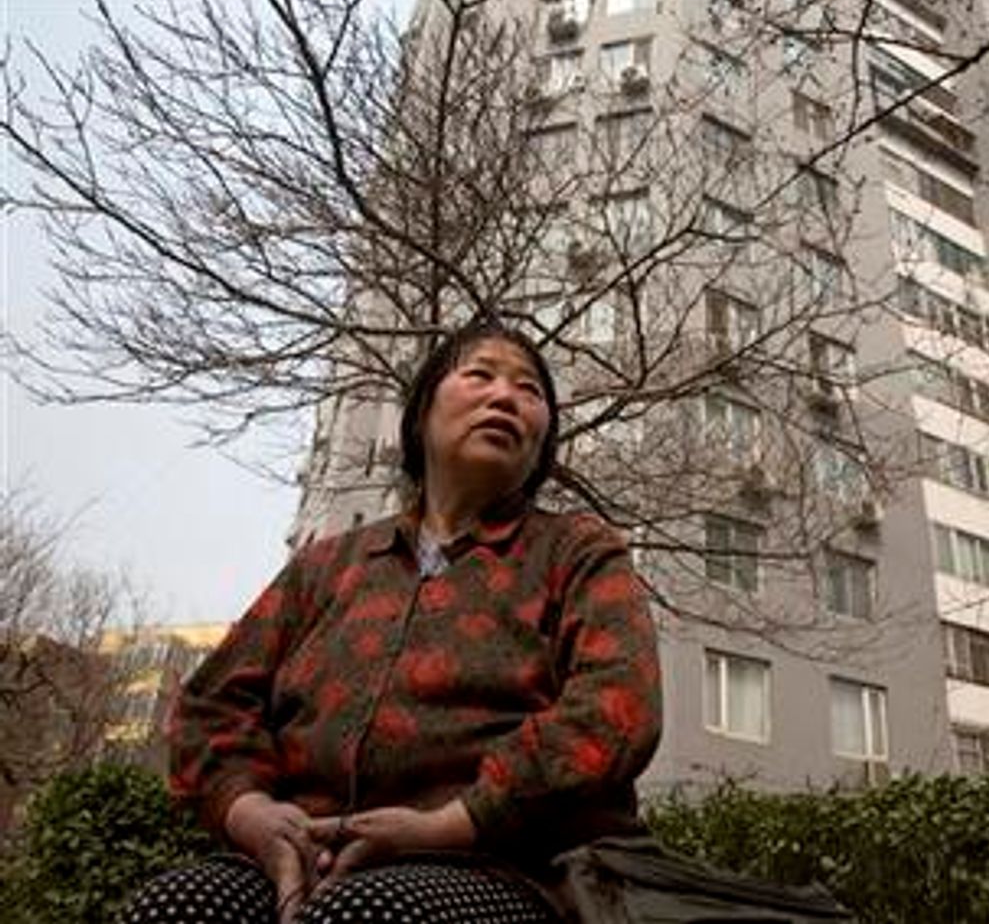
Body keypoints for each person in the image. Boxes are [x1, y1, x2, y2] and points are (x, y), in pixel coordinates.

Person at [120, 317, 663, 923]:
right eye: (480, 374)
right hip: (298, 857)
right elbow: (210, 705)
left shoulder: (578, 551)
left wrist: (454, 823)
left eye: (529, 390)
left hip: (504, 866)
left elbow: (617, 709)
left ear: (542, 443)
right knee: (176, 906)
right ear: (420, 416)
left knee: (369, 914)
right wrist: (251, 813)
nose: (505, 395)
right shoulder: (327, 564)